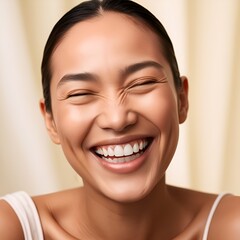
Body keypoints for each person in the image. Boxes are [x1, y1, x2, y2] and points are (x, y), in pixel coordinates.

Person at [0, 0, 240, 239]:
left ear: (181, 99)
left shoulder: (231, 228)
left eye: (142, 83)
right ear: (50, 121)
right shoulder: (12, 228)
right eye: (81, 93)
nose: (117, 119)